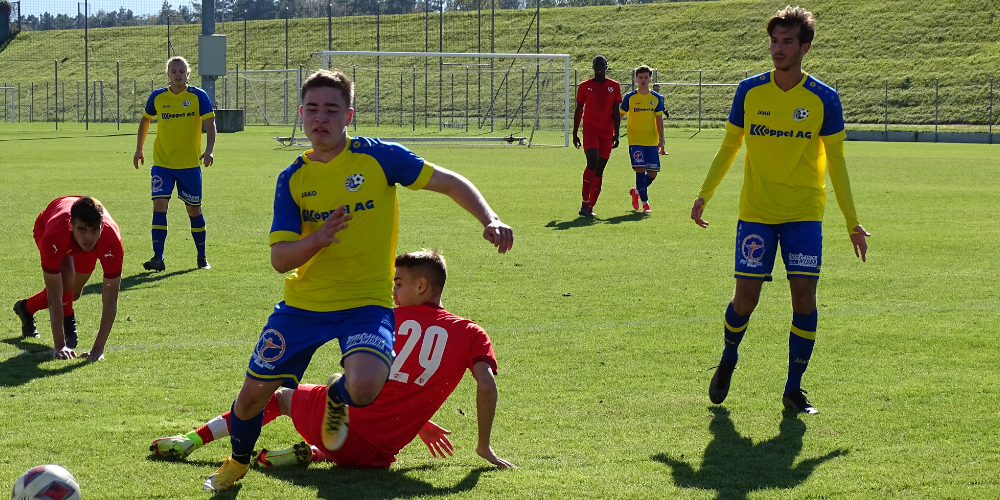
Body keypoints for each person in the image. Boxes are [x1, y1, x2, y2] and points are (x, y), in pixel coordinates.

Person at [200, 69, 514, 491]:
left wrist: (489, 218)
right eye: (312, 109)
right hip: (303, 305)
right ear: (301, 114)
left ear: (349, 115)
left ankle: (336, 394)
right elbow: (279, 259)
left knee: (363, 387)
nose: (320, 118)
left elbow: (447, 181)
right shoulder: (293, 178)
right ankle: (237, 461)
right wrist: (318, 238)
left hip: (365, 302)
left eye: (331, 109)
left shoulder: (380, 158)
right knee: (252, 397)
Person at [151, 250, 515, 470]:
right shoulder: (471, 332)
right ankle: (312, 452)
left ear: (421, 286)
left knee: (279, 396)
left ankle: (190, 440)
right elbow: (485, 383)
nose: (393, 289)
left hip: (343, 426)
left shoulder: (385, 319)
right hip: (377, 458)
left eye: (399, 282)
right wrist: (478, 444)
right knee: (340, 395)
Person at [690, 6, 870, 415]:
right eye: (774, 41)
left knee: (804, 297)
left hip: (805, 212)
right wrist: (705, 193)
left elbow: (837, 162)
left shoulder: (824, 98)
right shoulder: (750, 91)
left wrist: (852, 222)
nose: (777, 49)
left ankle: (793, 389)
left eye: (787, 42)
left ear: (804, 48)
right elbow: (730, 146)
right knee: (745, 300)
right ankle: (729, 356)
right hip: (756, 211)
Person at [12, 196, 123, 361]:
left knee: (74, 293)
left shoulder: (111, 239)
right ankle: (67, 315)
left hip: (80, 240)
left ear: (102, 227)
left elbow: (110, 298)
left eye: (94, 230)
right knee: (65, 280)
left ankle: (25, 308)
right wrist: (59, 345)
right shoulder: (55, 235)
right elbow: (53, 294)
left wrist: (98, 350)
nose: (88, 238)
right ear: (71, 226)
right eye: (82, 230)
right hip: (47, 226)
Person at [133, 56, 217, 272]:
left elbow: (210, 123)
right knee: (159, 206)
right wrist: (139, 148)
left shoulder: (199, 96)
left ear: (188, 73)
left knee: (193, 210)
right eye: (173, 71)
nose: (178, 74)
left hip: (189, 164)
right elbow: (145, 120)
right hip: (162, 163)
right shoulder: (158, 97)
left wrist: (209, 150)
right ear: (168, 74)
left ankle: (201, 257)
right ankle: (158, 257)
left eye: (181, 71)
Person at [573, 55, 622, 217]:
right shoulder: (584, 86)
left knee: (599, 170)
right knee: (592, 162)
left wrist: (616, 133)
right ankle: (584, 203)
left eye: (602, 65)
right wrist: (574, 133)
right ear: (593, 67)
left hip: (607, 133)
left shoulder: (614, 86)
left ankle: (591, 207)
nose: (600, 67)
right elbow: (579, 109)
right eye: (597, 65)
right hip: (590, 131)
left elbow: (616, 112)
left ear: (606, 67)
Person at [620, 65, 666, 214]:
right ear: (636, 79)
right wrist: (612, 131)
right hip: (635, 140)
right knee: (640, 169)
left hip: (651, 140)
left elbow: (659, 120)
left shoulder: (656, 98)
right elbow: (620, 115)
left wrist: (661, 140)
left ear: (650, 79)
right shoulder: (630, 97)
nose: (643, 80)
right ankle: (645, 204)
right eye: (640, 77)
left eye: (646, 77)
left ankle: (637, 191)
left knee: (652, 173)